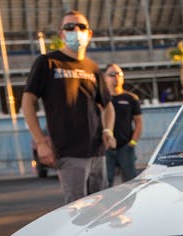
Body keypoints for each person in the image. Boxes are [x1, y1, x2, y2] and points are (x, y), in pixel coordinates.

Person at [22, 10, 116, 204]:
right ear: (62, 34)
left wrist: (108, 130)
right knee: (77, 209)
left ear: (89, 33)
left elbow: (108, 106)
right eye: (69, 27)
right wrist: (40, 142)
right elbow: (27, 102)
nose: (76, 31)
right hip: (69, 153)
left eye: (81, 27)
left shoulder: (92, 67)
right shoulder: (47, 63)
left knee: (101, 209)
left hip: (97, 152)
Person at [103, 63, 143, 186]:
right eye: (112, 74)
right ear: (105, 78)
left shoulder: (131, 98)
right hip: (106, 148)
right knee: (105, 184)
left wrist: (133, 142)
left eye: (119, 74)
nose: (116, 77)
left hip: (125, 147)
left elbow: (138, 122)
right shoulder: (101, 98)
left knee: (131, 184)